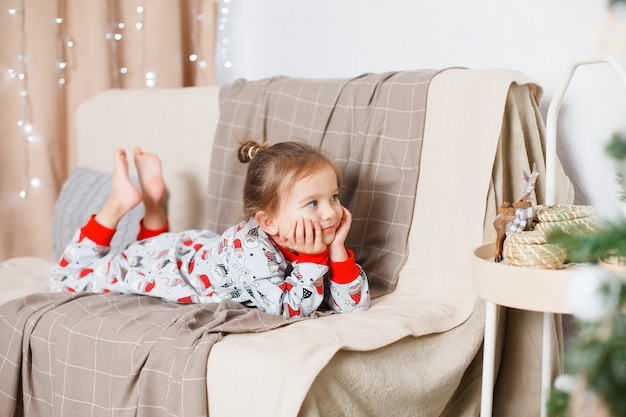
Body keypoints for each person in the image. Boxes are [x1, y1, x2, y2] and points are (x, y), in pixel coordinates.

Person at [50, 141, 370, 318]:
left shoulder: (311, 235)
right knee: (67, 278)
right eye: (313, 203)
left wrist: (338, 251)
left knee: (152, 247)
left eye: (334, 197)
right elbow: (289, 308)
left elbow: (353, 307)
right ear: (268, 221)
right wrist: (314, 260)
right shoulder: (252, 254)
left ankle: (153, 203)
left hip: (188, 250)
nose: (331, 212)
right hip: (174, 267)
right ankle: (118, 203)